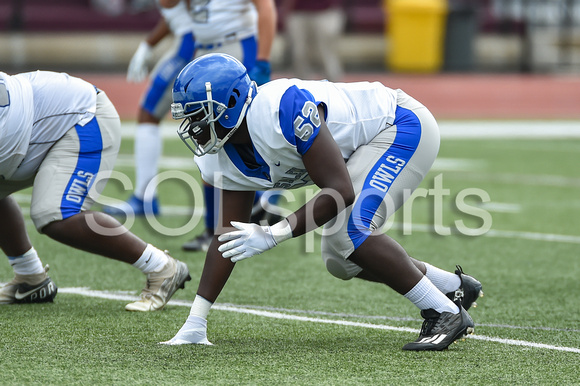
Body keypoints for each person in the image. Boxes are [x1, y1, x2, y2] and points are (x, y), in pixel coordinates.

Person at [159, 54, 483, 351]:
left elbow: (340, 191)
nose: (194, 127)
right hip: (364, 147)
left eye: (200, 114)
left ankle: (443, 311)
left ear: (230, 104)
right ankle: (453, 287)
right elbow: (226, 236)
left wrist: (274, 234)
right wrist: (196, 321)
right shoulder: (221, 155)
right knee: (340, 261)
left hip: (399, 125)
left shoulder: (282, 108)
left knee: (350, 232)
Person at [0, 70, 190, 312]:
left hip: (81, 119)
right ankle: (30, 278)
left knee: (57, 213)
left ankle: (162, 267)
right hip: (36, 126)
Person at [104, 0, 282, 253]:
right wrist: (149, 43)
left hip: (236, 49)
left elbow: (265, 7)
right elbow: (171, 6)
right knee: (206, 135)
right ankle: (238, 215)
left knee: (239, 132)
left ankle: (262, 197)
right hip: (202, 52)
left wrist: (262, 60)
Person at [281, 0, 345, 82]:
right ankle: (302, 89)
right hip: (297, 11)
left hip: (326, 11)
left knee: (326, 54)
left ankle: (335, 87)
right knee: (299, 53)